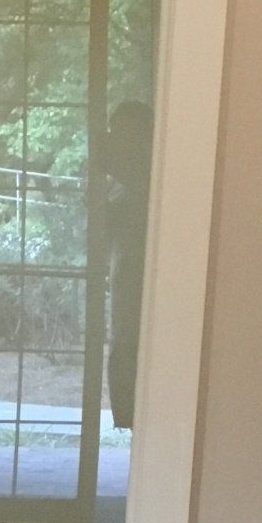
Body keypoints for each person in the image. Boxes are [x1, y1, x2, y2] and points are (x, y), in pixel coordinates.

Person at [97, 99, 153, 431]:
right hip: (128, 274)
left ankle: (131, 416)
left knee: (127, 345)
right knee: (125, 345)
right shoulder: (133, 189)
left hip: (133, 274)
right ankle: (130, 417)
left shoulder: (140, 187)